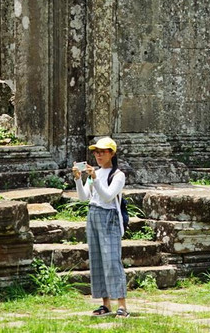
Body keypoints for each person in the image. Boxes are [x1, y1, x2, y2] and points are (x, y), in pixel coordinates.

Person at [73, 136, 129, 318]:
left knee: (112, 260)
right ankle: (105, 304)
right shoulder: (94, 173)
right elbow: (84, 197)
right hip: (93, 214)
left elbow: (108, 196)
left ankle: (122, 305)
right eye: (96, 152)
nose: (99, 155)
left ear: (112, 153)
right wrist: (78, 179)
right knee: (97, 259)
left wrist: (95, 178)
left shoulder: (118, 175)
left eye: (103, 152)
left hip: (109, 217)